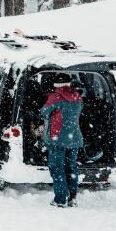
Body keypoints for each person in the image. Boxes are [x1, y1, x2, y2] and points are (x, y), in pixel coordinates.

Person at [41, 72, 85, 207]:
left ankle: (60, 199)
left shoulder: (56, 97)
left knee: (57, 168)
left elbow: (44, 112)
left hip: (57, 139)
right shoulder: (78, 97)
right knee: (71, 168)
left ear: (56, 85)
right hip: (75, 139)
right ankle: (72, 198)